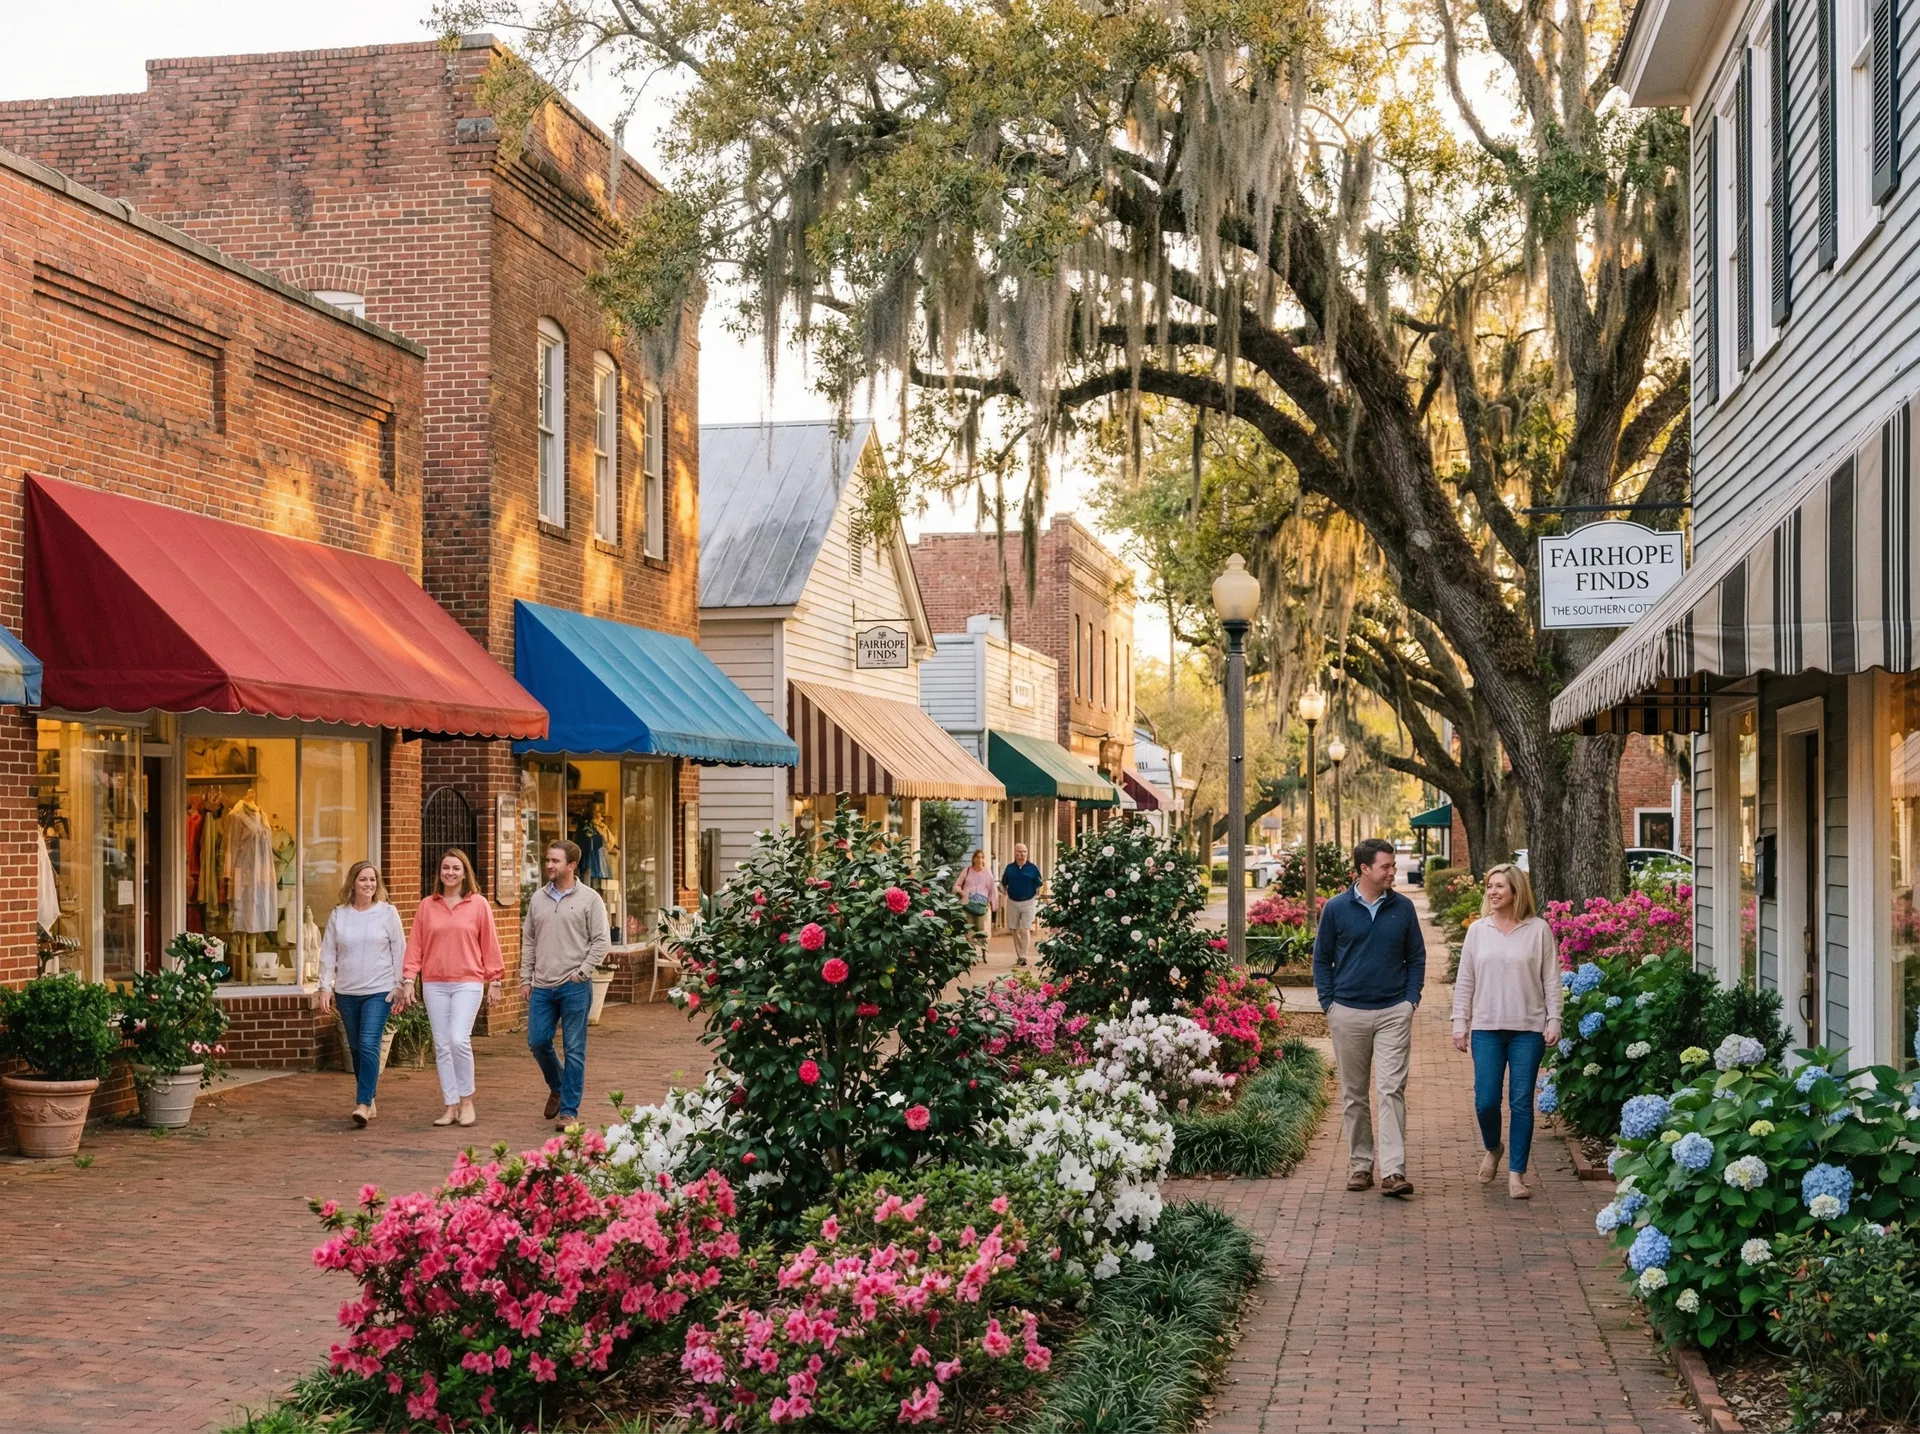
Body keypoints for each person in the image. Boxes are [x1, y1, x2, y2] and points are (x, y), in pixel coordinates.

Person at [1312, 836, 1427, 1198]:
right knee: (1354, 1094)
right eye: (1386, 866)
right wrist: (1329, 1004)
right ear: (1365, 869)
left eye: (1392, 866)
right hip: (1347, 1012)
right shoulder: (1335, 908)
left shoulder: (1404, 909)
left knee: (1391, 1089)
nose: (1393, 871)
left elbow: (1417, 958)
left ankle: (1394, 1171)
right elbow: (1321, 959)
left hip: (1394, 1010)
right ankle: (1361, 1165)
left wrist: (1410, 1001)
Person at [1450, 863, 1561, 1200]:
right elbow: (1465, 979)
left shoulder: (1538, 930)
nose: (1493, 892)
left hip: (1527, 1029)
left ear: (1516, 891)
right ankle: (1493, 1147)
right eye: (1489, 886)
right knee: (1485, 1101)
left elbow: (1551, 979)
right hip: (1486, 1028)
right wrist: (1460, 1022)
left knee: (1522, 1102)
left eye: (1500, 886)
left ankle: (1517, 1175)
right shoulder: (1477, 931)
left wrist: (1554, 1018)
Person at [399, 848, 504, 1127]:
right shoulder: (427, 905)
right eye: (446, 867)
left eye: (456, 868)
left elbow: (490, 945)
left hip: (468, 982)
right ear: (440, 872)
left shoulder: (478, 904)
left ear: (465, 872)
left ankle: (467, 1099)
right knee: (442, 1045)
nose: (450, 872)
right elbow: (415, 947)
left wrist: (495, 980)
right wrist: (409, 979)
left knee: (459, 1039)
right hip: (434, 983)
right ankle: (450, 1105)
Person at [521, 839, 611, 1128]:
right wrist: (526, 978)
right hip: (543, 986)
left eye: (555, 861)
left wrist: (583, 972)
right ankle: (558, 1086)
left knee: (575, 1048)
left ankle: (569, 1111)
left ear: (571, 865)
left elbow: (601, 942)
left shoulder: (590, 899)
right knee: (537, 1042)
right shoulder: (537, 899)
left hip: (574, 985)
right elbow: (529, 941)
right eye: (548, 860)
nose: (549, 865)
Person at [317, 860, 406, 1128]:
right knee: (355, 1047)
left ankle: (363, 1103)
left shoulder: (387, 913)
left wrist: (401, 984)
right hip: (347, 991)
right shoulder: (339, 914)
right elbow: (328, 952)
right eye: (363, 879)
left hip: (379, 991)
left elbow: (399, 950)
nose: (368, 884)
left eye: (372, 880)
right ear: (353, 883)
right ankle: (370, 1096)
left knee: (368, 1043)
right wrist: (324, 986)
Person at [999, 842, 1045, 966]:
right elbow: (1003, 883)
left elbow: (1039, 884)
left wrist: (1037, 895)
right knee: (1014, 929)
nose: (1022, 854)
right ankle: (1019, 955)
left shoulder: (1032, 868)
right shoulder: (1010, 868)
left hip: (1028, 901)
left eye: (1024, 852)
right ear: (1015, 853)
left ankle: (1024, 956)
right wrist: (1002, 892)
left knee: (1025, 929)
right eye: (1019, 852)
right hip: (1013, 901)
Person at [953, 849, 997, 954]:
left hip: (982, 905)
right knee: (969, 929)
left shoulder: (987, 873)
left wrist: (993, 905)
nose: (979, 859)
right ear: (973, 858)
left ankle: (983, 950)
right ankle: (970, 951)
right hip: (967, 904)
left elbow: (992, 890)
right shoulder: (967, 870)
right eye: (977, 857)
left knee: (981, 929)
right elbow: (956, 885)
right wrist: (962, 893)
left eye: (982, 857)